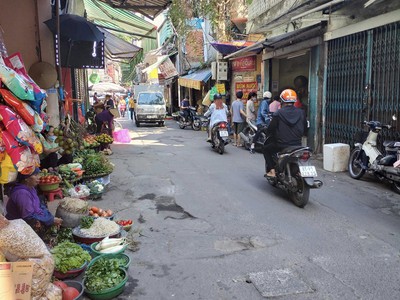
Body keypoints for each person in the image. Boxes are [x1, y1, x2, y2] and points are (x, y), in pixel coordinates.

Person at [5, 168, 63, 241]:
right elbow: (28, 217)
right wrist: (51, 220)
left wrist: (50, 217)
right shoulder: (22, 193)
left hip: (28, 219)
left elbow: (39, 206)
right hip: (18, 226)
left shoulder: (31, 188)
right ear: (26, 179)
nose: (39, 177)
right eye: (35, 175)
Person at [263, 89, 307, 177]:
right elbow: (305, 128)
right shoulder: (301, 113)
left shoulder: (278, 113)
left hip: (282, 144)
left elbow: (271, 129)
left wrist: (268, 133)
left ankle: (272, 171)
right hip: (297, 145)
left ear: (282, 100)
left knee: (266, 149)